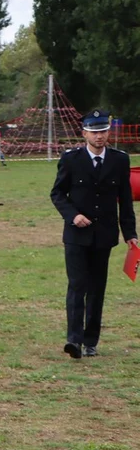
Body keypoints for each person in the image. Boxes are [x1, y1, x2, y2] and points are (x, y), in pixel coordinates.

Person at [50, 109, 137, 359]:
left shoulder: (120, 160)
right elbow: (57, 193)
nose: (100, 137)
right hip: (76, 235)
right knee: (77, 285)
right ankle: (74, 341)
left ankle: (91, 341)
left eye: (104, 132)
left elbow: (126, 199)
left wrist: (130, 232)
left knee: (97, 288)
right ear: (84, 133)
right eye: (95, 132)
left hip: (104, 235)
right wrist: (73, 215)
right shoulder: (71, 159)